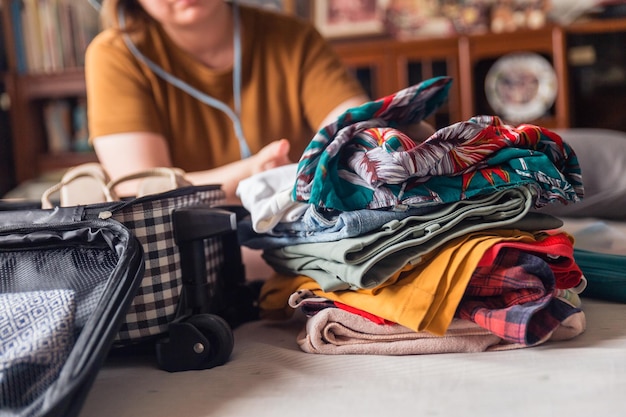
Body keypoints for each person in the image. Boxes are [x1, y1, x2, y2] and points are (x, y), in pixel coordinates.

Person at [85, 0, 372, 202]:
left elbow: (358, 129)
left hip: (301, 240)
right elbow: (139, 190)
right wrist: (250, 173)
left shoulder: (294, 37)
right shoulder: (114, 55)